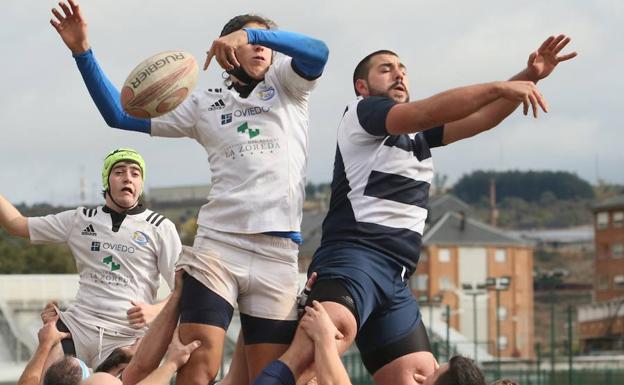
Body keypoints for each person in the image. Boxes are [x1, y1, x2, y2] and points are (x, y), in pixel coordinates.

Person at [252, 36, 576, 385]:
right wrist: (500, 85)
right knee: (315, 353)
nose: (399, 75)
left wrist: (531, 75)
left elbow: (483, 118)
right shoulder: (363, 113)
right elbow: (428, 110)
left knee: (422, 376)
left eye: (403, 69)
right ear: (362, 86)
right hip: (354, 259)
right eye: (386, 69)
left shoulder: (418, 136)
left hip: (397, 277)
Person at [50, 1, 329, 383]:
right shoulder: (203, 104)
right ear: (227, 51)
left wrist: (252, 33)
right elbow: (118, 113)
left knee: (271, 375)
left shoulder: (289, 87)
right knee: (198, 364)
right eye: (249, 40)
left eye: (267, 41)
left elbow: (320, 52)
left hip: (278, 253)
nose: (262, 48)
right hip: (219, 247)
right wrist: (82, 51)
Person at [0, 148, 181, 369]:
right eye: (119, 172)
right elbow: (16, 224)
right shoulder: (80, 219)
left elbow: (183, 288)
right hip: (78, 328)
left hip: (126, 336)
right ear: (107, 180)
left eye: (135, 173)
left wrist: (156, 310)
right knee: (44, 376)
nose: (128, 178)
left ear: (141, 184)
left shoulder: (160, 227)